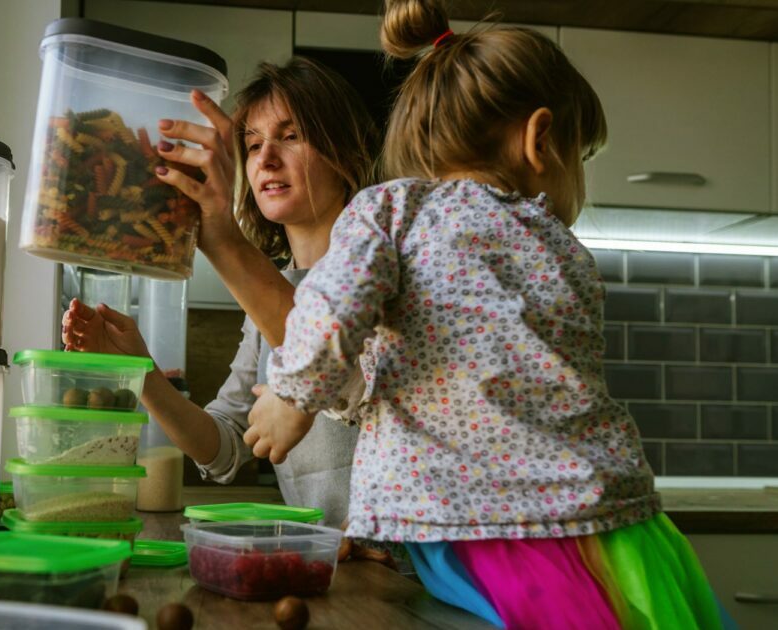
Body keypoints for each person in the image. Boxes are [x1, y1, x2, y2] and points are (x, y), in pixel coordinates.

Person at [243, 2, 735, 628]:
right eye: (580, 157)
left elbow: (338, 306)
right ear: (540, 140)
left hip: (477, 526)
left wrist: (293, 395)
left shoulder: (393, 210)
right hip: (608, 522)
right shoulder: (561, 246)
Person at [62, 57, 383, 539]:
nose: (266, 159)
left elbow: (337, 370)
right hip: (326, 558)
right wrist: (142, 374)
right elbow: (225, 447)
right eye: (253, 145)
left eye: (291, 136)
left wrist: (220, 237)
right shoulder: (263, 302)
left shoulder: (382, 275)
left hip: (399, 560)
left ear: (349, 153)